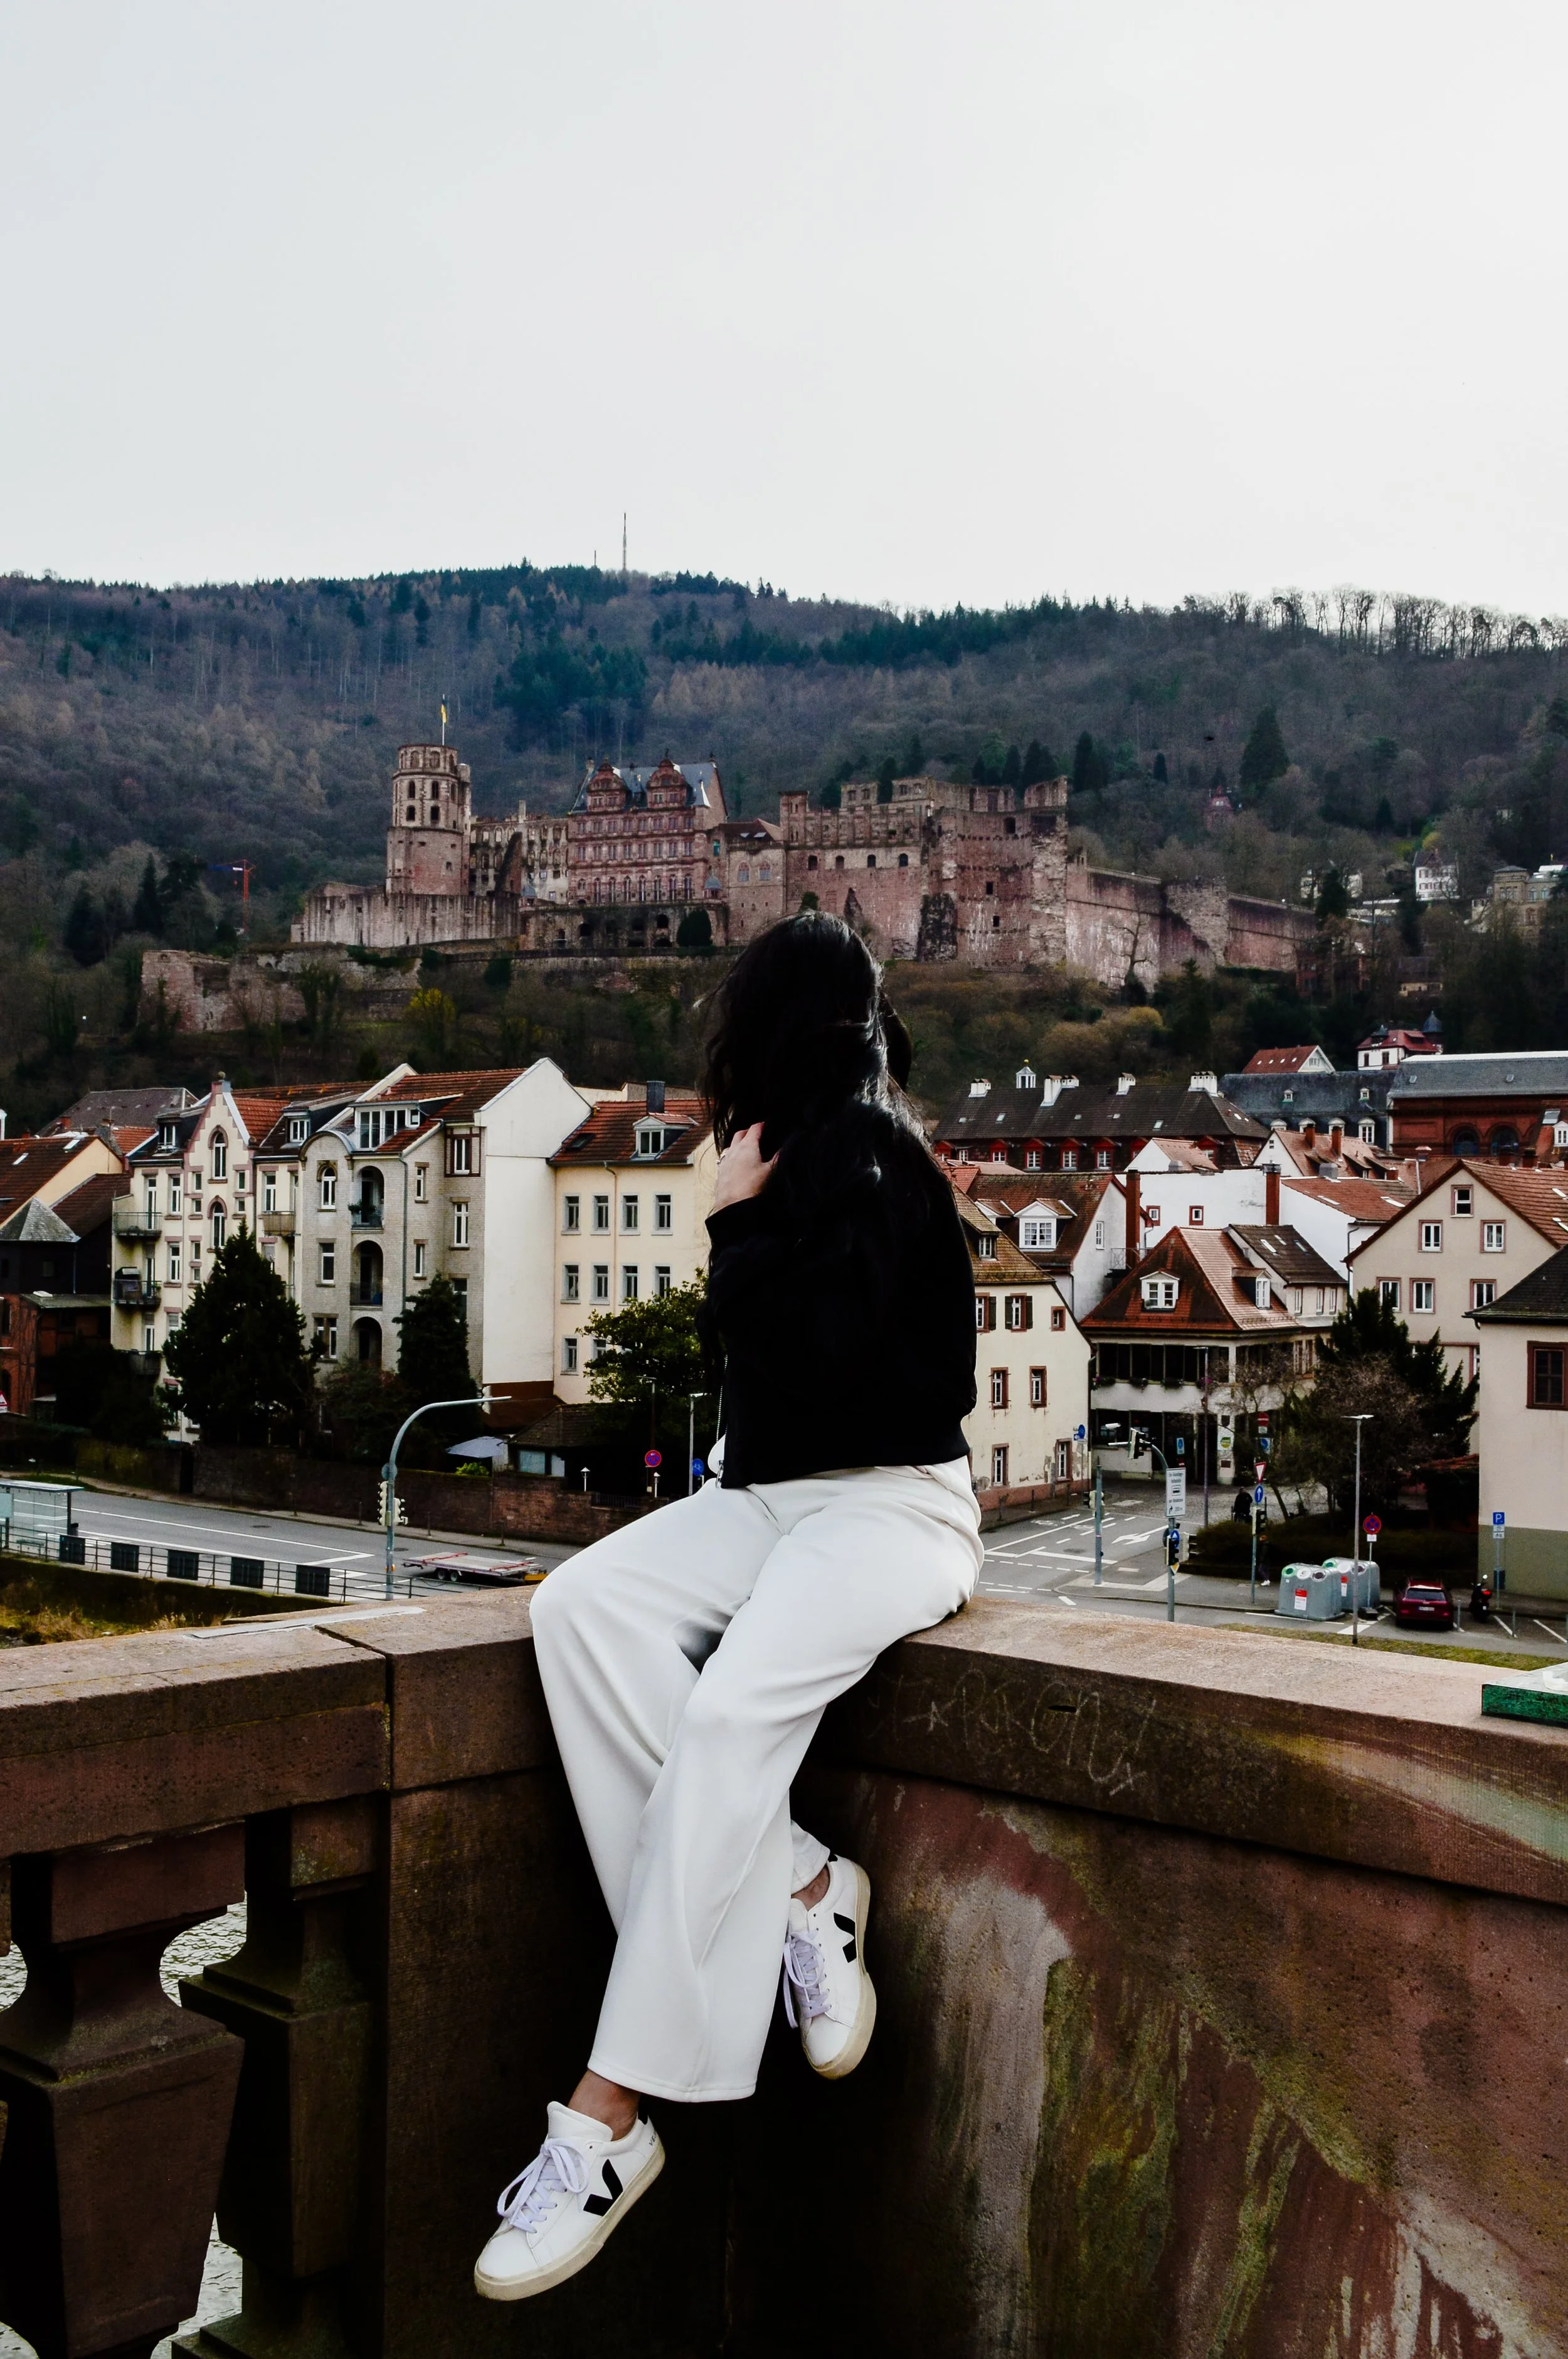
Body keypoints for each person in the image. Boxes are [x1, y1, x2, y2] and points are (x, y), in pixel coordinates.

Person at [474, 912, 983, 2303]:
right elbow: (769, 1389)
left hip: (891, 1506)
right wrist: (738, 1220)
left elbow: (813, 1363)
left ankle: (608, 2116)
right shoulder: (801, 1153)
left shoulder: (875, 1162)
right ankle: (808, 1890)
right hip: (770, 1498)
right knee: (578, 1611)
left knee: (725, 1714)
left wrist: (727, 1224)